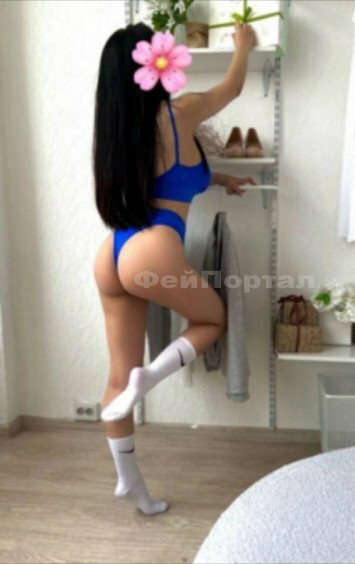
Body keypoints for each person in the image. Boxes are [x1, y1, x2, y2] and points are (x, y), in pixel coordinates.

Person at [92, 20, 256, 515]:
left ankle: (132, 486)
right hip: (155, 248)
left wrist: (220, 178)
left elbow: (173, 177)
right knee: (212, 320)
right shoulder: (180, 111)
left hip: (114, 251)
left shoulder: (121, 130)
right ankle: (149, 378)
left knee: (116, 379)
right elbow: (233, 86)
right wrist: (243, 46)